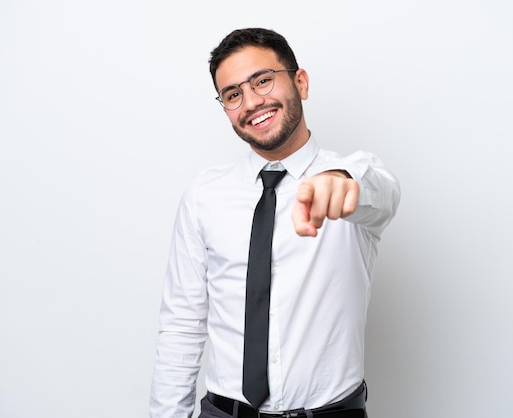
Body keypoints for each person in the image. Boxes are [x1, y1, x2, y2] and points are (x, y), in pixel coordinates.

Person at [150, 28, 400, 418]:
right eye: (233, 94)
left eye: (263, 80)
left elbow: (380, 194)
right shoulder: (205, 195)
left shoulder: (351, 176)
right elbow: (182, 324)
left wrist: (343, 183)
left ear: (300, 82)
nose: (251, 102)